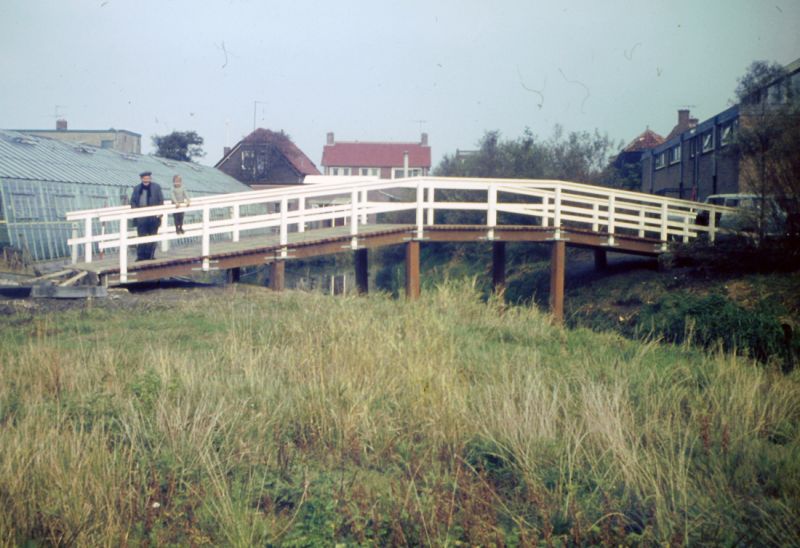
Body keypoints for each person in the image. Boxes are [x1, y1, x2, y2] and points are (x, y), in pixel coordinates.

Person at [130, 171, 164, 260]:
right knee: (141, 235)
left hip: (153, 216)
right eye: (145, 178)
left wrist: (160, 214)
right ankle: (141, 256)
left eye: (148, 178)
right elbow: (133, 201)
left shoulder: (156, 187)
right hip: (141, 216)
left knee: (153, 235)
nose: (146, 179)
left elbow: (161, 200)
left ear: (150, 178)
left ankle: (151, 255)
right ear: (141, 179)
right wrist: (136, 212)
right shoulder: (137, 188)